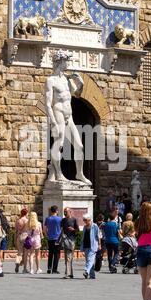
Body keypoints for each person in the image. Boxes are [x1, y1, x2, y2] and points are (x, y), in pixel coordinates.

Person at [45, 49, 91, 185]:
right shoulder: (50, 80)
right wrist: (52, 121)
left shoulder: (66, 79)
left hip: (69, 116)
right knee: (58, 144)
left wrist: (81, 84)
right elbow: (48, 104)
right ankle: (58, 173)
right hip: (58, 112)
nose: (68, 64)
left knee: (80, 146)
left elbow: (76, 95)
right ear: (60, 61)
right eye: (67, 61)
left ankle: (79, 173)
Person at [80, 214, 101, 279]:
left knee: (90, 260)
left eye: (86, 220)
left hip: (93, 245)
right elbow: (83, 237)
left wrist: (99, 244)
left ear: (89, 219)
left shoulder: (94, 226)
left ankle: (86, 271)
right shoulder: (84, 227)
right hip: (86, 245)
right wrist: (82, 247)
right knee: (88, 260)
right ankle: (92, 275)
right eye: (84, 220)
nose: (85, 221)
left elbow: (99, 235)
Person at [61, 207, 79, 279]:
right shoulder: (63, 220)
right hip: (65, 240)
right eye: (64, 211)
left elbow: (77, 229)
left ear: (70, 212)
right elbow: (61, 229)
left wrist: (73, 229)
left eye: (66, 211)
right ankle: (70, 273)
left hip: (72, 240)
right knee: (67, 257)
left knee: (69, 257)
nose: (65, 213)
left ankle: (68, 274)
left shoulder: (74, 220)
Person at [44, 205, 62, 274]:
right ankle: (54, 269)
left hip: (50, 238)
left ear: (51, 211)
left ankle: (49, 268)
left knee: (50, 253)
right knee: (57, 254)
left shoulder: (48, 219)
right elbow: (62, 228)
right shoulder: (60, 219)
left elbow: (45, 229)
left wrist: (47, 235)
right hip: (57, 238)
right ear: (56, 211)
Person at [14, 207, 29, 274]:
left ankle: (17, 262)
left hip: (19, 236)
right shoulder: (27, 221)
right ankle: (25, 268)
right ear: (26, 213)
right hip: (25, 236)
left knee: (19, 252)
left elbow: (16, 231)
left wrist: (15, 239)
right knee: (26, 253)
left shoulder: (18, 221)